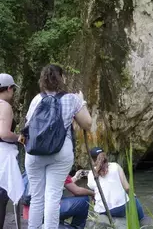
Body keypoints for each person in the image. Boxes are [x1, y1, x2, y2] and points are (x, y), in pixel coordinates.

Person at [25, 64, 92, 229]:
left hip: (33, 152)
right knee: (53, 197)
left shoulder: (36, 99)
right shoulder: (71, 99)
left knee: (36, 197)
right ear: (63, 78)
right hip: (60, 152)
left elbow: (28, 126)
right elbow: (87, 124)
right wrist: (82, 100)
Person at [87, 147, 145, 222]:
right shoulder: (115, 166)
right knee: (134, 199)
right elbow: (127, 188)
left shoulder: (90, 174)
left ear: (92, 160)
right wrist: (133, 195)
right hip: (121, 207)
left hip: (103, 211)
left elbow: (93, 193)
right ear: (105, 156)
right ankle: (142, 221)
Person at [23, 170, 94, 228]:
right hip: (47, 211)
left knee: (60, 198)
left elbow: (60, 184)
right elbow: (77, 191)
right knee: (84, 200)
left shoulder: (31, 167)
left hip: (30, 214)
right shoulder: (57, 167)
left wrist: (75, 177)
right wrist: (94, 193)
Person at [0, 73, 24, 229]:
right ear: (9, 88)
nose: (13, 93)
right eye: (13, 90)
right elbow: (3, 133)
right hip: (2, 155)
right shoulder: (4, 105)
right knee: (1, 197)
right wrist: (20, 138)